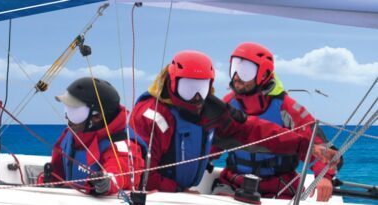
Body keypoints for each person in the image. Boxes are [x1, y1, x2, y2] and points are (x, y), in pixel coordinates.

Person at [129, 50, 337, 193]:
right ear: (171, 81)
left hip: (182, 193)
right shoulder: (150, 116)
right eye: (187, 87)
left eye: (200, 89)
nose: (195, 97)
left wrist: (306, 146)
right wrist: (178, 191)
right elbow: (140, 176)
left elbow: (252, 131)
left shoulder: (210, 108)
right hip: (160, 196)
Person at [219, 42, 341, 201]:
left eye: (245, 71)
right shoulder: (227, 105)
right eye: (234, 68)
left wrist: (324, 176)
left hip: (280, 188)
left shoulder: (288, 108)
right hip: (234, 184)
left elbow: (319, 147)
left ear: (264, 73)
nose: (236, 76)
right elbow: (207, 144)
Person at [39, 77, 144, 196]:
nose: (68, 117)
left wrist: (107, 181)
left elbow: (121, 170)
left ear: (97, 116)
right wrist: (48, 183)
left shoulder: (122, 145)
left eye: (74, 111)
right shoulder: (71, 135)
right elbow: (57, 172)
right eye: (67, 109)